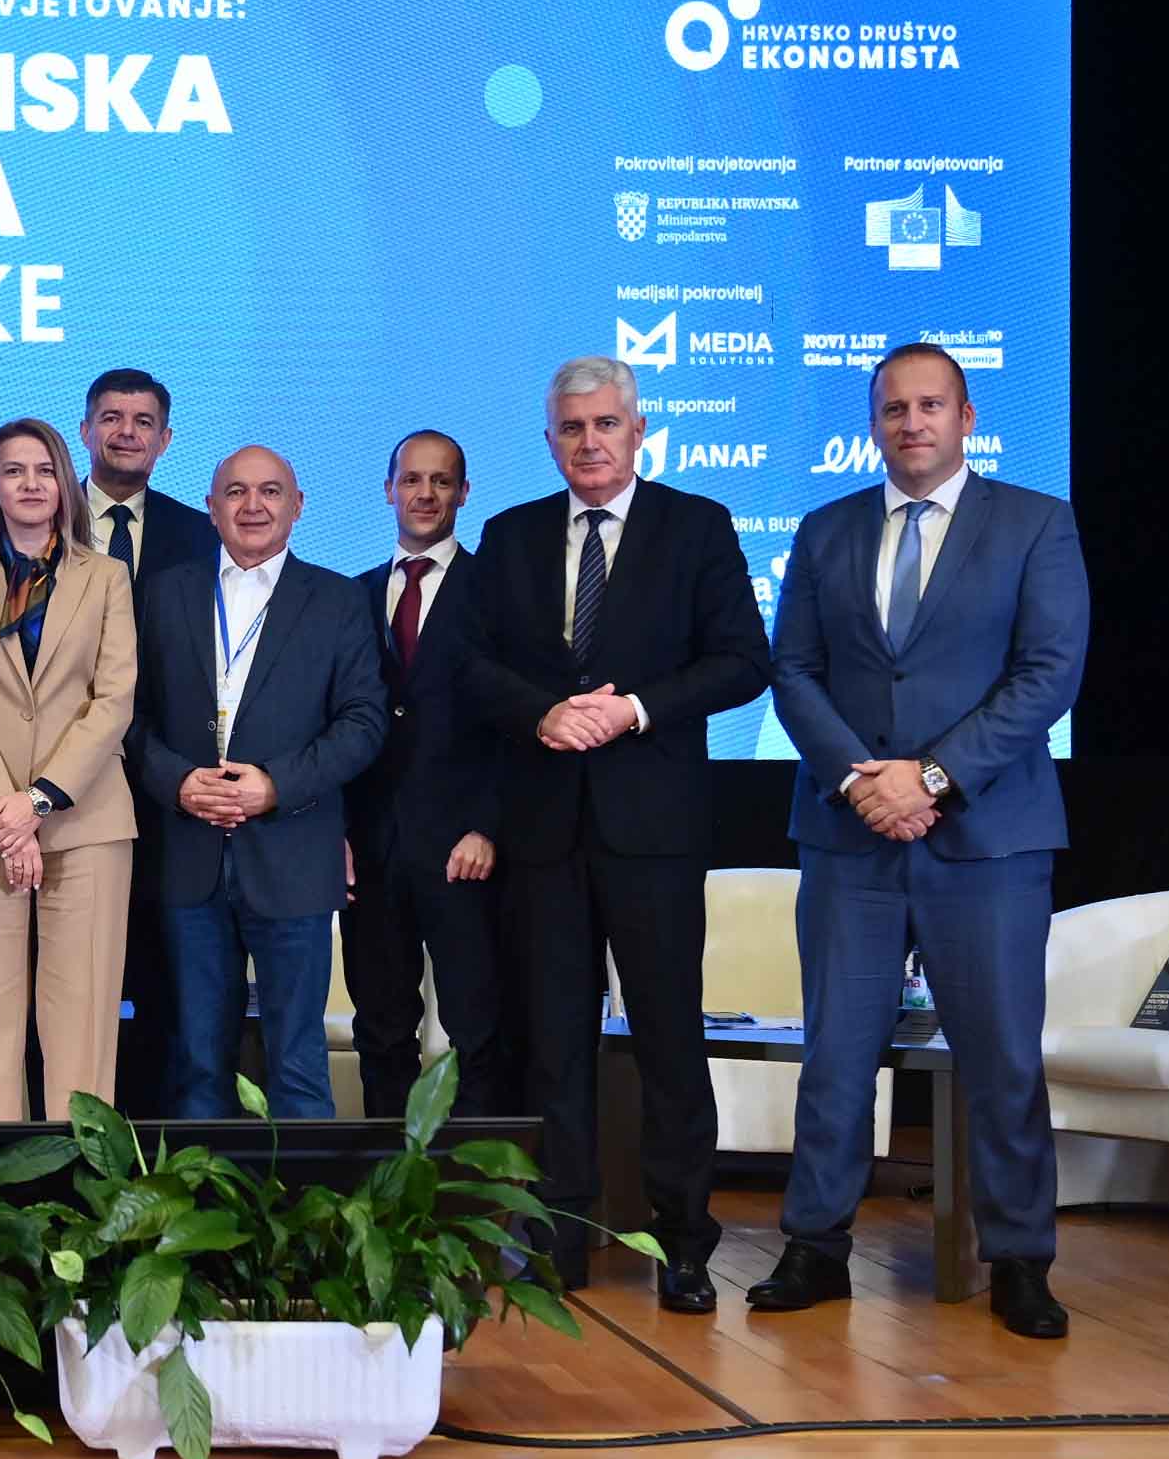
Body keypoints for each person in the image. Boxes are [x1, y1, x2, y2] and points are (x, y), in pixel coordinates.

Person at [750, 344, 1087, 1337]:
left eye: (930, 405)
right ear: (873, 424)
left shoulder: (1036, 523)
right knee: (834, 1056)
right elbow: (792, 670)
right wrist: (863, 779)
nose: (911, 423)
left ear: (965, 417)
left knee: (1002, 1061)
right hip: (849, 834)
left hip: (988, 840)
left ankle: (1018, 1258)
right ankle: (815, 1246)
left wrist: (930, 777)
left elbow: (1048, 671)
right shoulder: (824, 530)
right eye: (893, 409)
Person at [462, 355, 772, 1310]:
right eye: (572, 427)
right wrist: (543, 714)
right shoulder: (509, 535)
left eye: (606, 424)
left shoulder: (698, 525)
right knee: (553, 1045)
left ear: (639, 432)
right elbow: (469, 665)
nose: (589, 442)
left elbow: (742, 661)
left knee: (670, 1040)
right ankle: (559, 1239)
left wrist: (633, 708)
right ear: (549, 439)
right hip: (544, 833)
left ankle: (683, 1243)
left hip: (655, 830)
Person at [127, 446, 385, 1119]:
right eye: (236, 492)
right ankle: (198, 1193)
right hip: (188, 859)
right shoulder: (163, 593)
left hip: (293, 857)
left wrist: (274, 786)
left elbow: (363, 722)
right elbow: (128, 716)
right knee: (195, 1065)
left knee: (297, 1064)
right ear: (210, 508)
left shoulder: (339, 599)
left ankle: (302, 1196)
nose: (253, 505)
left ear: (298, 506)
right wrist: (178, 782)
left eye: (270, 491)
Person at [0, 419, 137, 1120]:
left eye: (45, 470)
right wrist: (6, 809)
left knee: (81, 1021)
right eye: (14, 470)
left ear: (64, 485)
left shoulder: (107, 577)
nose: (30, 483)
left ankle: (82, 1180)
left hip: (86, 821)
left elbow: (114, 699)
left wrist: (39, 801)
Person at [342, 431, 512, 1118]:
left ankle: (473, 1178)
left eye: (441, 481)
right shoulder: (350, 597)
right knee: (381, 1030)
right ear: (388, 490)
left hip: (462, 850)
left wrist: (488, 826)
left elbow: (518, 723)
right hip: (372, 850)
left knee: (478, 1029)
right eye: (411, 480)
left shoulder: (497, 592)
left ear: (463, 493)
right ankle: (388, 1176)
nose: (425, 494)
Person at [77, 368, 218, 1116]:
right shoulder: (44, 523)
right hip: (63, 793)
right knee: (68, 987)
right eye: (111, 417)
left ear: (165, 440)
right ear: (85, 431)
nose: (125, 432)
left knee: (165, 990)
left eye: (142, 421)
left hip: (169, 794)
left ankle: (151, 1153)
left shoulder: (201, 536)